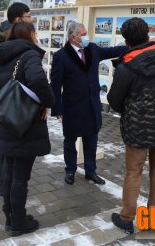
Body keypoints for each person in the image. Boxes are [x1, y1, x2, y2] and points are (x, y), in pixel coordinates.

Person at [107, 17, 155, 234]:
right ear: (148, 34)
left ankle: (126, 217)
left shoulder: (126, 66)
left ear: (126, 40)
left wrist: (130, 109)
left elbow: (114, 100)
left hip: (137, 128)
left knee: (133, 171)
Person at [0, 22, 54, 236]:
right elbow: (37, 80)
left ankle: (10, 215)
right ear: (30, 35)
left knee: (9, 171)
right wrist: (48, 102)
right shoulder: (29, 55)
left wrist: (5, 113)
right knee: (20, 177)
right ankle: (18, 222)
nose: (37, 36)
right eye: (35, 32)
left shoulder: (1, 55)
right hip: (25, 124)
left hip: (6, 120)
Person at [50, 22, 128, 185]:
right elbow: (55, 85)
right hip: (72, 106)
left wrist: (136, 45)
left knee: (91, 140)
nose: (87, 36)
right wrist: (57, 108)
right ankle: (70, 170)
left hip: (92, 105)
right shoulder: (61, 56)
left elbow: (113, 51)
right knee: (70, 140)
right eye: (83, 34)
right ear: (73, 37)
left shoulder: (92, 49)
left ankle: (90, 171)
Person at [0, 2, 32, 196]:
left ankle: (3, 184)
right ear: (18, 20)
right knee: (15, 155)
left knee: (4, 146)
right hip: (17, 105)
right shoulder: (20, 45)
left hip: (3, 103)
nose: (31, 20)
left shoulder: (2, 44)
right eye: (28, 16)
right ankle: (9, 191)